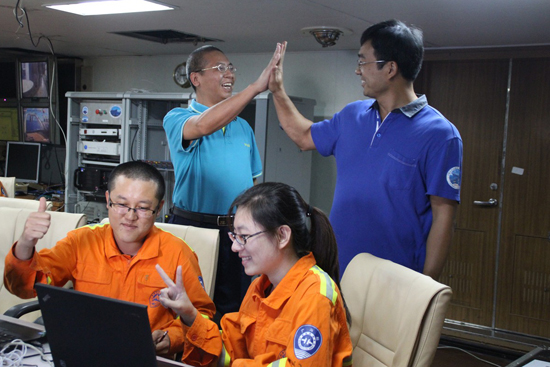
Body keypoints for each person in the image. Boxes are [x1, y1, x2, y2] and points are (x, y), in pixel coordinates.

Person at [268, 20, 462, 280]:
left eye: (363, 62)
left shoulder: (440, 134)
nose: (358, 71)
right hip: (338, 269)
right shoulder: (352, 116)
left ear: (390, 68)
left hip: (396, 279)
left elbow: (443, 218)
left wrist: (425, 288)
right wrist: (278, 91)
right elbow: (303, 136)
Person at [3, 161, 215, 356]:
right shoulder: (81, 241)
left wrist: (173, 338)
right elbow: (25, 287)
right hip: (86, 352)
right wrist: (26, 243)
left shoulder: (178, 252)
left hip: (146, 358)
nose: (130, 217)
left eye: (142, 208)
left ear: (158, 209)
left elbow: (202, 316)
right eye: (121, 204)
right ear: (107, 200)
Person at [156, 182, 353, 366]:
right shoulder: (260, 288)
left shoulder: (314, 295)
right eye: (235, 236)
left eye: (244, 236)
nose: (234, 247)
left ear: (282, 235)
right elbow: (229, 350)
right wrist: (190, 315)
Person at [163, 44, 283, 317]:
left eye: (231, 68)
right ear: (196, 78)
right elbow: (204, 126)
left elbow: (251, 187)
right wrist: (255, 87)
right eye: (220, 68)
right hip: (193, 227)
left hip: (235, 232)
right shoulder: (179, 117)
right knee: (189, 307)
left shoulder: (242, 127)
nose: (229, 74)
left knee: (233, 310)